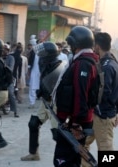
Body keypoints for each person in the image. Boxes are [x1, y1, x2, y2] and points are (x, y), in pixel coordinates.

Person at [53, 26, 100, 167]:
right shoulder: (86, 61)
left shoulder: (83, 64)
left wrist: (76, 123)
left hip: (75, 122)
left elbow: (81, 94)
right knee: (73, 158)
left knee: (64, 160)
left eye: (72, 43)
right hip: (74, 120)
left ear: (77, 44)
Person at [20, 41, 66, 161]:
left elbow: (58, 87)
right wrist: (42, 91)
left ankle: (67, 158)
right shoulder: (47, 64)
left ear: (49, 54)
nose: (40, 55)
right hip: (46, 102)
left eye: (43, 53)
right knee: (33, 123)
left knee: (58, 134)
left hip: (55, 104)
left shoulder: (57, 66)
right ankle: (34, 153)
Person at [82, 32, 118, 167]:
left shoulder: (106, 66)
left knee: (106, 149)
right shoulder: (113, 62)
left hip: (102, 116)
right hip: (101, 115)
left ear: (97, 46)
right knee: (82, 143)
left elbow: (104, 94)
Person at [2, 43, 19, 117]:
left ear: (8, 50)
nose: (4, 51)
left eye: (5, 50)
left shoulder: (11, 58)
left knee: (11, 94)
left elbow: (11, 69)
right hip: (0, 79)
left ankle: (15, 111)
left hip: (8, 79)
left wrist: (5, 65)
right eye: (3, 50)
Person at [27, 35, 40, 109]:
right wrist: (29, 72)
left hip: (40, 73)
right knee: (32, 87)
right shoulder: (32, 52)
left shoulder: (42, 52)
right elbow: (30, 63)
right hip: (34, 72)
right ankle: (32, 102)